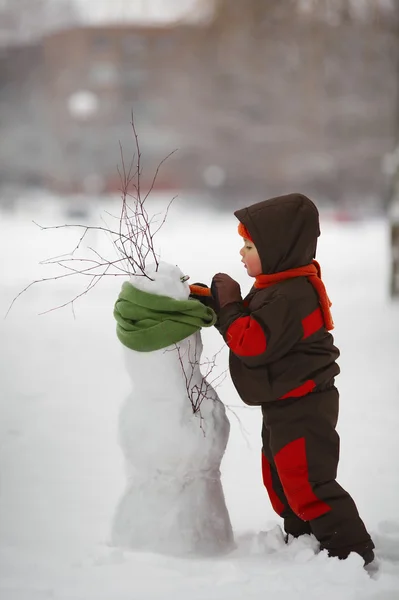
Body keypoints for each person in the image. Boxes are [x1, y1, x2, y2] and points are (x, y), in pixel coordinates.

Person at [190, 193, 375, 565]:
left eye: (249, 245)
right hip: (285, 403)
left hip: (304, 405)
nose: (241, 253)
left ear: (277, 249)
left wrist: (228, 306)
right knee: (280, 476)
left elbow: (252, 342)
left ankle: (350, 552)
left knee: (307, 481)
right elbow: (252, 320)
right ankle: (304, 537)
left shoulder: (292, 295)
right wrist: (214, 301)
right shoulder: (278, 285)